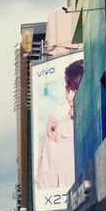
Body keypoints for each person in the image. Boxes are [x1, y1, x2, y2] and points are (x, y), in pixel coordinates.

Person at [35, 59, 83, 190]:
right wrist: (52, 139)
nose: (68, 98)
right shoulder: (58, 130)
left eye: (75, 90)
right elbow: (45, 187)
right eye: (68, 90)